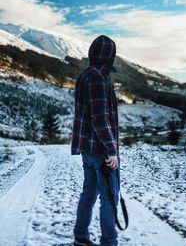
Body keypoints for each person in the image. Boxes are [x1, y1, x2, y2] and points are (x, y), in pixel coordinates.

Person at [71, 35, 120, 246]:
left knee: (89, 193)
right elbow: (100, 118)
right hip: (101, 151)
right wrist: (111, 150)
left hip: (88, 150)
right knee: (109, 198)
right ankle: (109, 242)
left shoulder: (85, 75)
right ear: (110, 56)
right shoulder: (98, 78)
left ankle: (81, 237)